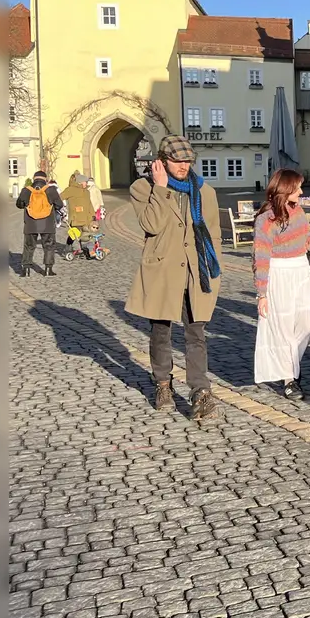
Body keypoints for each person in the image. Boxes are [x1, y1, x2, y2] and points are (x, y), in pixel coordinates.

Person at [125, 136, 223, 423]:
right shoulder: (142, 188)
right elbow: (151, 224)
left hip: (195, 272)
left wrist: (214, 271)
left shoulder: (205, 192)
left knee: (196, 334)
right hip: (163, 272)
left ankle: (200, 391)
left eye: (187, 161)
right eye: (177, 160)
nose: (183, 166)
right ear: (161, 161)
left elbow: (213, 234)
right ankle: (163, 384)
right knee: (160, 332)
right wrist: (161, 188)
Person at [253, 168, 310, 400]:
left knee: (307, 325)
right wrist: (262, 294)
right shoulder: (265, 219)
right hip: (279, 274)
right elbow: (260, 257)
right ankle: (291, 379)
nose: (301, 191)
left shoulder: (298, 211)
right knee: (282, 329)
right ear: (285, 189)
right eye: (297, 187)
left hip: (300, 271)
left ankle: (291, 367)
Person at [15, 170, 63, 277]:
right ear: (45, 179)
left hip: (30, 224)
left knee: (28, 246)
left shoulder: (26, 190)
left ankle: (26, 270)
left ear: (34, 178)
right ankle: (48, 269)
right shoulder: (51, 190)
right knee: (49, 246)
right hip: (47, 224)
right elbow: (59, 205)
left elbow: (19, 204)